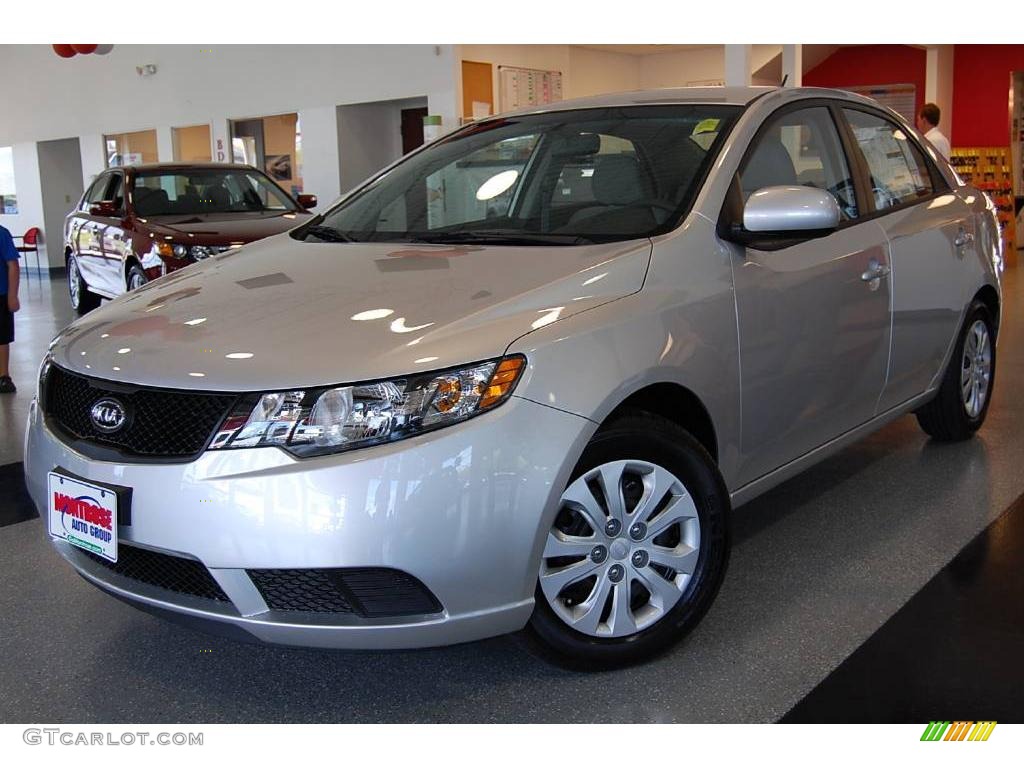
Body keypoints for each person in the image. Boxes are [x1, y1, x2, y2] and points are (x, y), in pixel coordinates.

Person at [0, 223, 21, 393]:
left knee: (2, 337)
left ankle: (3, 376)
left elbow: (12, 265)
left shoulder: (2, 234)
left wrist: (12, 296)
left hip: (1, 294)